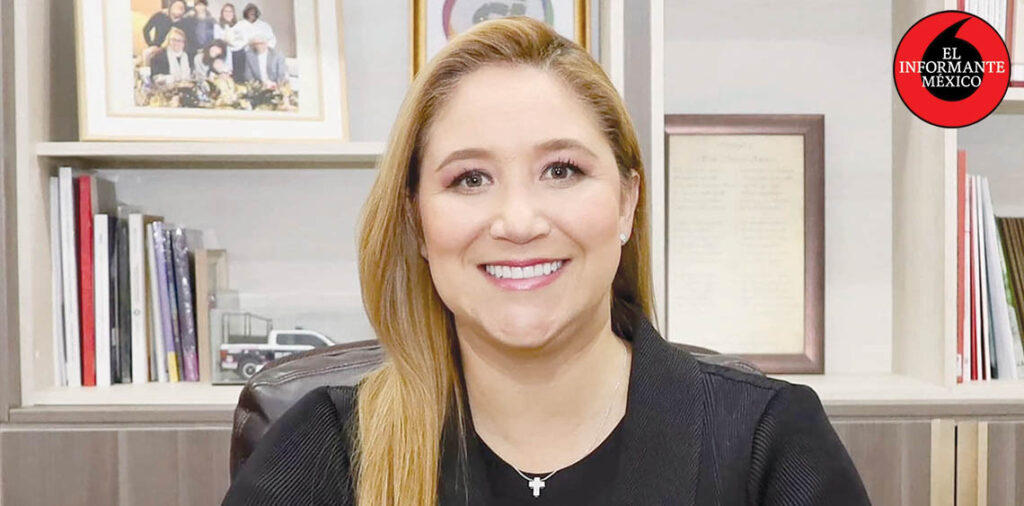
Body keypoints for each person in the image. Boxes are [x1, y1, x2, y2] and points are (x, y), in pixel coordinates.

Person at [221, 16, 871, 506]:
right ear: (417, 221)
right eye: (470, 179)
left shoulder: (766, 444)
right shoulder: (327, 451)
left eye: (562, 170)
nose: (519, 222)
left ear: (626, 202)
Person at [232, 3, 277, 82]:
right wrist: (247, 43)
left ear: (257, 13)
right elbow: (233, 40)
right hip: (245, 54)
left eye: (254, 12)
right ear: (246, 13)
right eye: (250, 12)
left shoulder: (264, 25)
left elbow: (272, 39)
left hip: (261, 53)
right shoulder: (240, 25)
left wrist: (264, 48)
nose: (252, 14)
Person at [214, 3, 244, 76]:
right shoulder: (217, 26)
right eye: (225, 11)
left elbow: (241, 41)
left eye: (230, 11)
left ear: (233, 13)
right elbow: (217, 41)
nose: (228, 13)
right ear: (222, 13)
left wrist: (232, 43)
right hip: (223, 54)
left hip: (237, 54)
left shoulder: (239, 25)